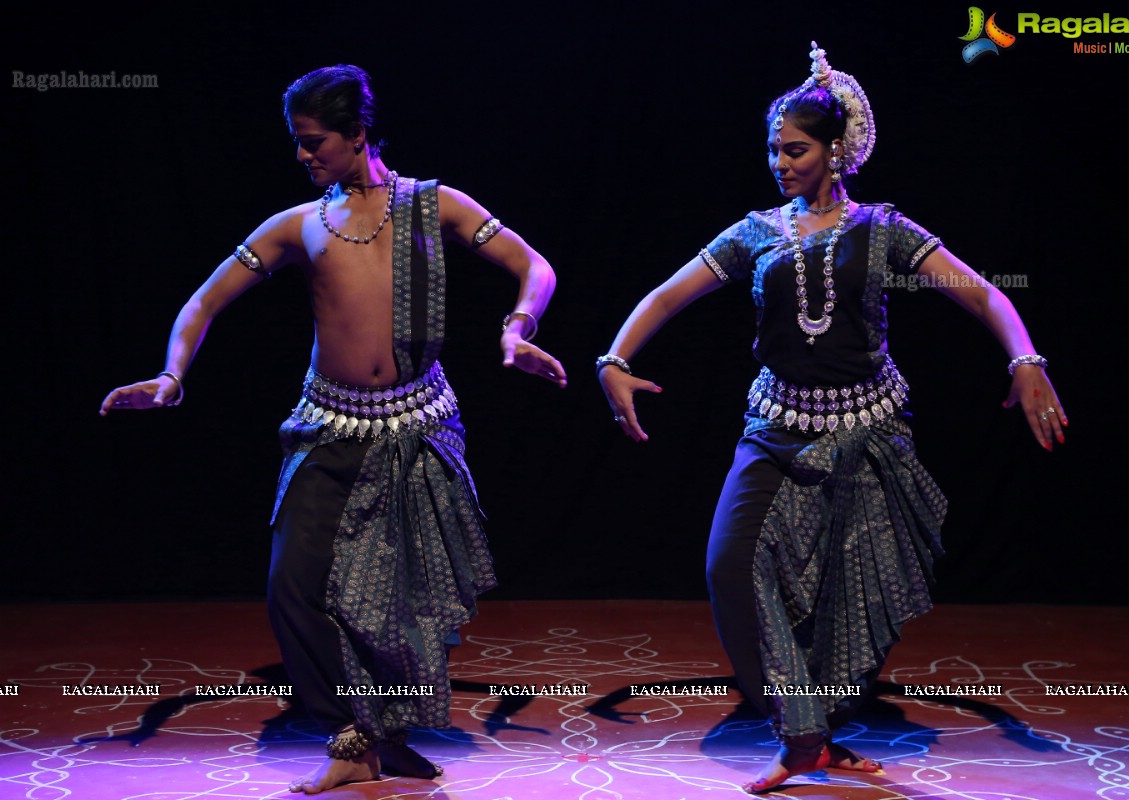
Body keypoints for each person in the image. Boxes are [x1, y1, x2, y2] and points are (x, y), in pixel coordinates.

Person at [597, 43, 1065, 794]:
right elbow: (663, 295)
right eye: (774, 150)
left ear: (836, 149)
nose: (780, 163)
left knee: (850, 597)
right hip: (776, 427)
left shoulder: (882, 230)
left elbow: (983, 293)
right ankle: (806, 731)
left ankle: (810, 734)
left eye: (796, 149)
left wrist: (1026, 361)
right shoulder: (754, 232)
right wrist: (614, 360)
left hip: (866, 434)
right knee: (730, 566)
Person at [100, 65, 566, 794]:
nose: (303, 155)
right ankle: (356, 733)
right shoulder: (299, 225)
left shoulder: (433, 205)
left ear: (358, 135)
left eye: (315, 141)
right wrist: (171, 375)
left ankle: (380, 737)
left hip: (418, 426)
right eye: (297, 142)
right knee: (295, 583)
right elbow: (203, 301)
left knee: (401, 601)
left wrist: (517, 326)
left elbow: (533, 265)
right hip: (331, 428)